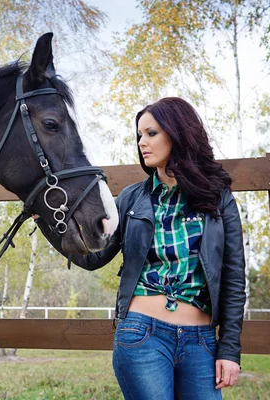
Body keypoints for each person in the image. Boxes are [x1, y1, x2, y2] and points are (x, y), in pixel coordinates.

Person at [38, 97, 246, 399]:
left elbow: (233, 277)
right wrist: (48, 224)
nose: (141, 142)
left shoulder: (218, 197)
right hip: (141, 336)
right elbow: (94, 257)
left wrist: (229, 350)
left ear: (178, 133)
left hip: (201, 342)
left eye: (151, 133)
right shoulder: (132, 198)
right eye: (139, 135)